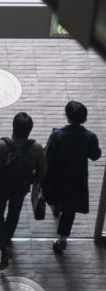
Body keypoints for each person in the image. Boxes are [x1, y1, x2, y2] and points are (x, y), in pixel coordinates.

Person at [0, 111, 47, 270]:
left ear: (13, 127)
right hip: (20, 188)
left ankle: (2, 244)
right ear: (30, 130)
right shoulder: (37, 148)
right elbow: (42, 172)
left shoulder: (0, 145)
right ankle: (7, 238)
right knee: (14, 212)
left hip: (1, 187)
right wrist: (30, 179)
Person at [44, 100, 101, 255]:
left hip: (58, 177)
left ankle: (56, 207)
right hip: (78, 178)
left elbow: (47, 156)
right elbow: (95, 155)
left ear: (67, 117)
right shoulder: (90, 137)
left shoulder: (57, 135)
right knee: (70, 209)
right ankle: (62, 239)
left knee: (57, 197)